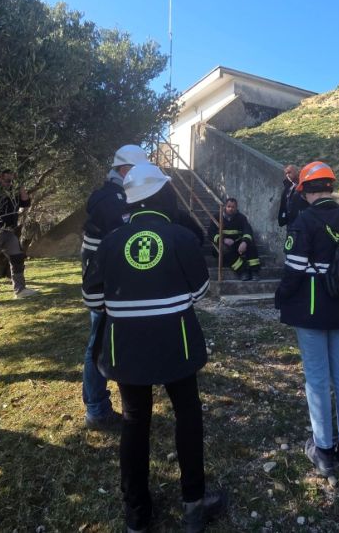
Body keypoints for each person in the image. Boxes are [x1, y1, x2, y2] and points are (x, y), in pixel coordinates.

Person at [86, 162, 227, 533]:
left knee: (135, 421)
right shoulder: (181, 236)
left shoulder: (111, 241)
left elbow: (92, 298)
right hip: (176, 345)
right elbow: (200, 291)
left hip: (126, 349)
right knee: (188, 415)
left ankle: (136, 514)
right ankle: (194, 504)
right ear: (162, 194)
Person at [277, 161, 339, 476]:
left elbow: (294, 269)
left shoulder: (304, 221)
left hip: (311, 309)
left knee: (316, 378)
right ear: (330, 186)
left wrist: (281, 297)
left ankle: (324, 450)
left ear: (304, 191)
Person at [79, 144, 148, 429]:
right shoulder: (112, 200)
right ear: (123, 169)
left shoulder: (117, 196)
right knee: (98, 343)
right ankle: (96, 409)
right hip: (104, 281)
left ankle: (100, 404)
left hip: (106, 278)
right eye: (138, 169)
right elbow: (123, 238)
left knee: (106, 340)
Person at [0, 169, 36, 307]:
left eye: (11, 179)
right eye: (7, 179)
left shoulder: (14, 191)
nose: (9, 182)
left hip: (9, 231)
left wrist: (20, 185)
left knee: (17, 258)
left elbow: (26, 203)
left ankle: (20, 290)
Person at [207, 197, 260, 280]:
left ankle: (254, 271)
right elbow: (211, 233)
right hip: (222, 244)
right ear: (225, 206)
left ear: (236, 207)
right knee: (224, 249)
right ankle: (243, 271)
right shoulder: (217, 217)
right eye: (229, 206)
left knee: (251, 244)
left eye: (233, 207)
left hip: (237, 243)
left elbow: (248, 230)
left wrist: (244, 242)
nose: (230, 209)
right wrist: (223, 239)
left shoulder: (241, 218)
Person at [277, 164, 307, 232]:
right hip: (290, 223)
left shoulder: (305, 185)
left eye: (289, 172)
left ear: (297, 171)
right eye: (286, 174)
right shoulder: (288, 187)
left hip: (302, 223)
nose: (287, 175)